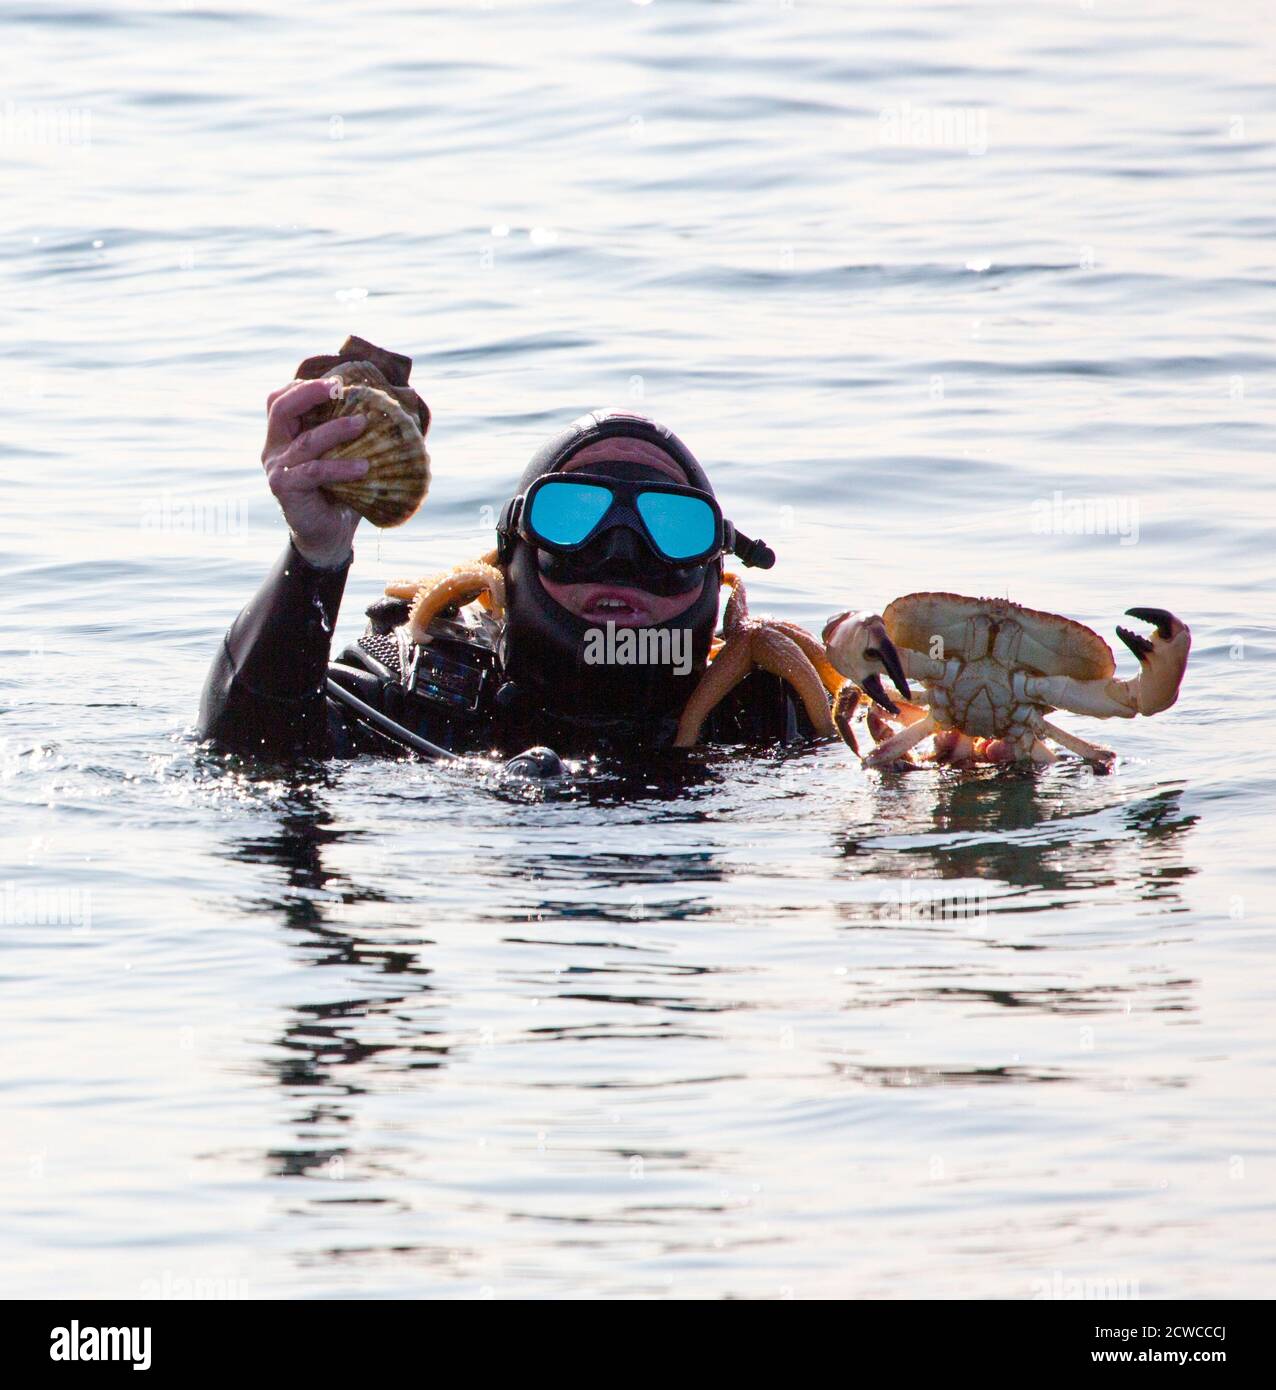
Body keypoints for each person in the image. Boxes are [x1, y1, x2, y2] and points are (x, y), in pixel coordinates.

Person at [197, 369, 842, 766]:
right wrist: (317, 556)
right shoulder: (421, 687)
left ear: (715, 568)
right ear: (510, 556)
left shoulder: (773, 709)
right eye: (572, 516)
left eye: (671, 528)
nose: (619, 554)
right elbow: (249, 752)